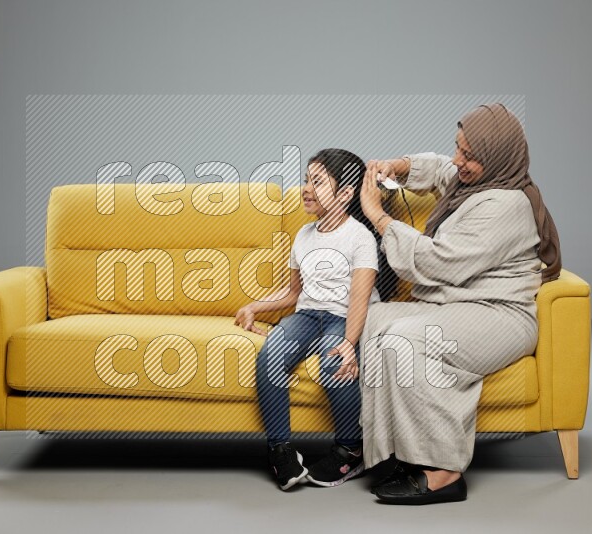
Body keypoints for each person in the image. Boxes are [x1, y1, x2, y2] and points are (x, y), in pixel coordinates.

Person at [358, 103, 562, 505]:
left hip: (500, 313)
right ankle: (400, 452)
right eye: (459, 148)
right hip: (460, 302)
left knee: (408, 339)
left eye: (469, 155)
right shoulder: (478, 181)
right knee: (373, 319)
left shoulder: (506, 205)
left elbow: (438, 262)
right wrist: (396, 167)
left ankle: (445, 471)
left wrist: (380, 219)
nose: (459, 160)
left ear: (498, 157)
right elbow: (439, 169)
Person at [235, 148, 384, 490]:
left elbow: (360, 299)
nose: (306, 188)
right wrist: (253, 307)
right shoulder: (303, 236)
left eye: (317, 182)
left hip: (343, 317)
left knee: (334, 363)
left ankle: (350, 450)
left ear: (345, 193)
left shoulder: (360, 237)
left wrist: (348, 343)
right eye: (306, 180)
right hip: (307, 315)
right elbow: (291, 293)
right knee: (271, 354)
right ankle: (280, 451)